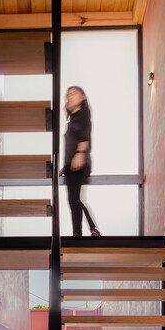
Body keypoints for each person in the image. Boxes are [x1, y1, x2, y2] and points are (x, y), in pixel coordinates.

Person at [60, 85, 101, 237]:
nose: (70, 96)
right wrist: (65, 167)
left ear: (83, 97)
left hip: (80, 162)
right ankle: (87, 230)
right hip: (71, 165)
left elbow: (85, 136)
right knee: (74, 200)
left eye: (74, 93)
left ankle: (82, 232)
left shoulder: (84, 113)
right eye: (68, 94)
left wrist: (80, 153)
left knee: (73, 199)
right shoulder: (73, 119)